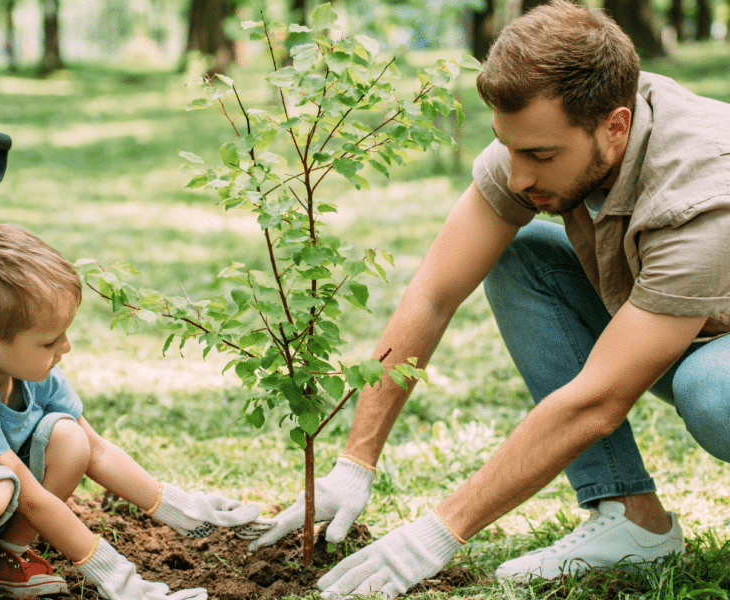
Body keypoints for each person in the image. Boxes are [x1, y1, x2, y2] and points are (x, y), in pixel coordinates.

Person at [249, 1, 730, 596]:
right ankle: (631, 520)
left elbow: (597, 401)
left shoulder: (703, 193)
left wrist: (440, 530)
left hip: (717, 353)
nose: (519, 175)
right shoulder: (546, 139)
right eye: (510, 148)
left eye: (541, 156)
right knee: (519, 251)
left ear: (616, 126)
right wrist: (355, 462)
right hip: (682, 323)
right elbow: (432, 293)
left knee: (713, 391)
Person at [0, 224, 271, 599]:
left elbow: (97, 450)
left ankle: (0, 563)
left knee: (70, 439)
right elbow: (29, 498)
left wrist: (184, 509)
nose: (67, 346)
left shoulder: (30, 368)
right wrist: (121, 581)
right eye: (49, 341)